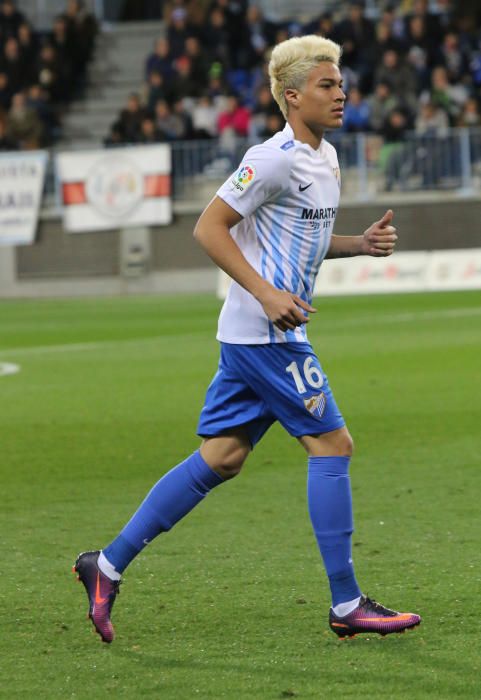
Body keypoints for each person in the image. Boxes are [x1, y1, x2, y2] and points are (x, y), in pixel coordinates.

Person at [74, 34, 421, 644]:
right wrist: (265, 294)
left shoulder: (327, 158)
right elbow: (209, 229)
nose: (341, 94)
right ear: (292, 98)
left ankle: (104, 566)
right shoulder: (273, 157)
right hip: (269, 336)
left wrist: (357, 245)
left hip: (256, 336)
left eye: (340, 84)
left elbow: (303, 240)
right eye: (327, 86)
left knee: (222, 457)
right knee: (333, 446)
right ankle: (346, 603)